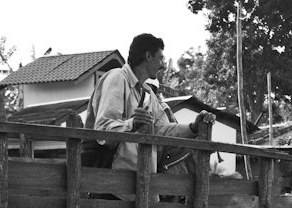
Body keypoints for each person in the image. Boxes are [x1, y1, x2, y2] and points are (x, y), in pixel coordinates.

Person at [84, 33, 215, 173]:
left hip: (141, 179)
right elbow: (103, 129)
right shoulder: (117, 78)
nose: (163, 65)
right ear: (148, 56)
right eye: (160, 58)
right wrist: (132, 124)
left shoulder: (147, 93)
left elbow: (163, 129)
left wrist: (193, 128)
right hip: (115, 181)